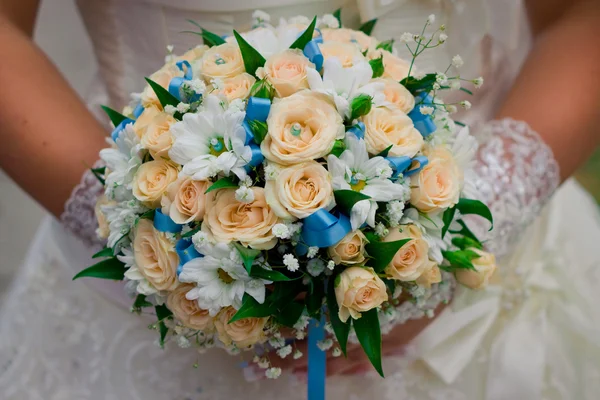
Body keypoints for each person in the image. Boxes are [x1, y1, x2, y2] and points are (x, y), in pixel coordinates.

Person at [0, 0, 599, 399]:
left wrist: (459, 236)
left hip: (499, 273)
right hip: (174, 285)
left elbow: (580, 17)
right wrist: (152, 238)